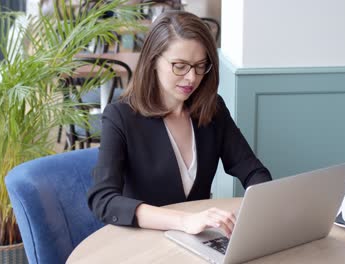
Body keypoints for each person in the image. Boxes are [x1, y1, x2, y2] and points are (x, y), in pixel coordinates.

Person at [87, 11, 272, 239]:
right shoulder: (121, 116)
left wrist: (256, 212)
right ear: (153, 60)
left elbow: (253, 171)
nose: (192, 78)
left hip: (199, 242)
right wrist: (184, 221)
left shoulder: (212, 110)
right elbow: (103, 200)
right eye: (180, 66)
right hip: (141, 243)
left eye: (200, 66)